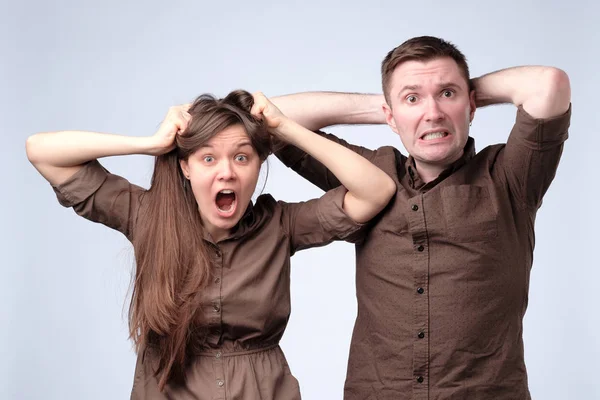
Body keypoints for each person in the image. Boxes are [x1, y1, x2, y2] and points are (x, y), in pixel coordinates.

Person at [25, 90, 396, 399]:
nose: (227, 171)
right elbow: (42, 151)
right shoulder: (147, 214)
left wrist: (284, 127)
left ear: (257, 165)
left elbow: (375, 190)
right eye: (207, 158)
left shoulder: (281, 225)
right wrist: (151, 144)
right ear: (185, 167)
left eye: (241, 157)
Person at [272, 36, 572, 399]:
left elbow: (548, 84)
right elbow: (270, 119)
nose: (433, 113)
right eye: (413, 99)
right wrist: (392, 107)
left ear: (472, 105)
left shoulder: (510, 177)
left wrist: (434, 97)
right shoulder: (368, 175)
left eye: (448, 94)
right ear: (390, 118)